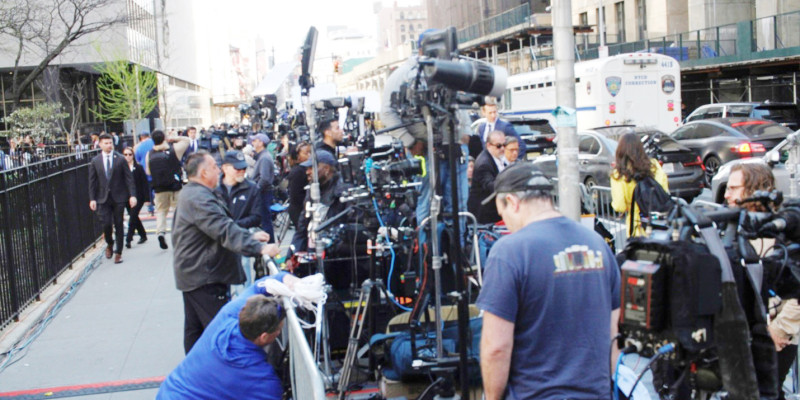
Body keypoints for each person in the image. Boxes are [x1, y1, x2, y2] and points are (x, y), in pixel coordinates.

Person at [477, 163, 620, 400]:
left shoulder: (509, 252)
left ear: (512, 202)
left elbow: (496, 347)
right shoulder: (596, 244)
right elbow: (614, 335)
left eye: (502, 214)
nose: (505, 223)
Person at [172, 151, 280, 353]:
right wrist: (259, 248)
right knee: (222, 332)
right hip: (205, 275)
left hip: (196, 272)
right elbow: (222, 229)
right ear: (204, 172)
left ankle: (196, 368)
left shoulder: (197, 193)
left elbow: (223, 226)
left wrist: (250, 237)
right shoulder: (198, 197)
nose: (218, 171)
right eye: (214, 167)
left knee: (196, 331)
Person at [156, 273, 298, 400]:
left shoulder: (229, 314)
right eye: (279, 330)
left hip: (170, 391)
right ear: (264, 337)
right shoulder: (261, 378)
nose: (279, 332)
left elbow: (260, 286)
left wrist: (284, 278)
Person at [725, 162, 797, 399]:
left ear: (755, 191)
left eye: (733, 188)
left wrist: (778, 330)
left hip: (778, 333)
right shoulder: (733, 228)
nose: (726, 195)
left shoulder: (783, 230)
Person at [216, 150, 263, 289]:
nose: (241, 171)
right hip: (218, 239)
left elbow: (256, 217)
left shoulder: (252, 188)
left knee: (243, 267)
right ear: (225, 168)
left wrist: (234, 226)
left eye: (244, 168)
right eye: (237, 168)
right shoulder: (213, 189)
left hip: (241, 237)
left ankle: (244, 298)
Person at [88, 133, 137, 264]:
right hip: (102, 198)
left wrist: (132, 195)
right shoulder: (95, 161)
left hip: (119, 197)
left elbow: (129, 179)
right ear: (100, 145)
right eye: (106, 143)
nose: (109, 145)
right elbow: (92, 181)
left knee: (119, 223)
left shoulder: (120, 159)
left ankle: (118, 252)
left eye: (110, 143)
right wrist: (92, 198)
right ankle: (110, 242)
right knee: (106, 224)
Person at [610, 132, 669, 238]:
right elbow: (664, 190)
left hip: (637, 227)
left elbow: (619, 206)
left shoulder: (619, 174)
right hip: (659, 225)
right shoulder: (654, 165)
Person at [146, 130, 191, 250]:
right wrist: (173, 138)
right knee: (178, 211)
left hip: (159, 188)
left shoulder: (150, 154)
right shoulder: (174, 150)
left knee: (161, 211)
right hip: (175, 186)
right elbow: (187, 140)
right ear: (164, 138)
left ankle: (161, 232)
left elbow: (148, 172)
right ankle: (180, 234)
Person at [467, 130, 506, 224]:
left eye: (504, 145)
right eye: (498, 146)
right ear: (489, 145)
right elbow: (491, 186)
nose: (502, 148)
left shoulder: (497, 158)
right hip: (485, 214)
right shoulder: (484, 164)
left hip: (493, 210)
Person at [250, 133, 275, 243]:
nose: (252, 143)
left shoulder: (264, 157)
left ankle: (270, 244)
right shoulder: (262, 156)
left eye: (255, 140)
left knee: (266, 221)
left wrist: (255, 190)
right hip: (262, 192)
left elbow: (264, 178)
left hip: (263, 193)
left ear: (261, 143)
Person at [123, 148, 149, 248]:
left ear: (133, 155)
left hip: (138, 196)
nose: (128, 156)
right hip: (127, 197)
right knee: (134, 216)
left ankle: (128, 239)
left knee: (133, 216)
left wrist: (147, 199)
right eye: (125, 154)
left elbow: (144, 183)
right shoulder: (122, 168)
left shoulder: (138, 168)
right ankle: (143, 234)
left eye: (130, 154)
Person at [287, 141, 311, 228]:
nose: (309, 155)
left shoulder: (305, 168)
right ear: (298, 156)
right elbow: (296, 196)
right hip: (299, 211)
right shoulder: (298, 171)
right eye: (306, 153)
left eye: (310, 152)